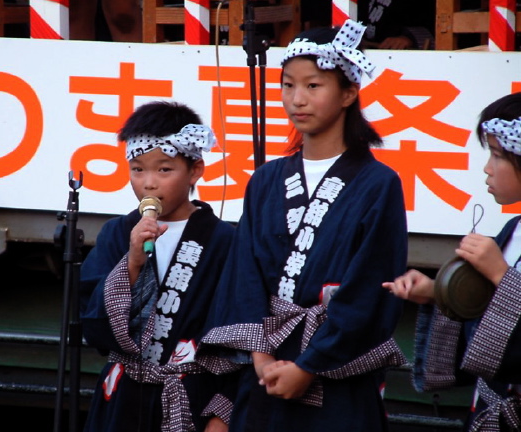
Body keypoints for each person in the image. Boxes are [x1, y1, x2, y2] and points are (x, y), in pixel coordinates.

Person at [199, 19, 409, 432]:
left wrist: (309, 366)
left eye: (313, 86)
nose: (297, 99)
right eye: (288, 85)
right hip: (267, 370)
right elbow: (245, 273)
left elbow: (370, 286)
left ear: (349, 93)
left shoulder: (378, 184)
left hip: (336, 375)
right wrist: (261, 357)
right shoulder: (266, 180)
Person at [79, 100, 237, 432]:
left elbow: (239, 334)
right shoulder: (118, 234)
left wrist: (221, 415)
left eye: (164, 169)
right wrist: (133, 262)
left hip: (191, 395)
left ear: (195, 170)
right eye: (138, 169)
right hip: (122, 398)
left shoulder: (225, 241)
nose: (149, 183)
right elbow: (93, 326)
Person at [383, 92, 521, 431]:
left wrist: (501, 275)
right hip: (495, 408)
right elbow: (490, 314)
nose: (488, 168)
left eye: (498, 155)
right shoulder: (512, 229)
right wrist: (437, 293)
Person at [302, 0, 435, 50]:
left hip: (401, 60)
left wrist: (408, 39)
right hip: (356, 55)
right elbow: (313, 15)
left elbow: (438, 26)